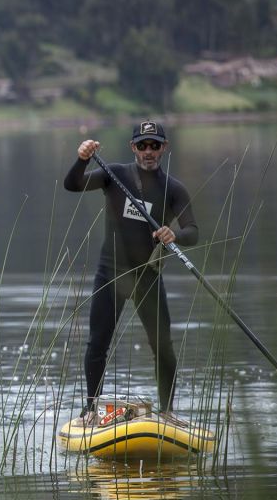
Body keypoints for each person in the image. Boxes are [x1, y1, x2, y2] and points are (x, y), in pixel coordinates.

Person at [63, 121, 198, 421]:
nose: (148, 151)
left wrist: (174, 235)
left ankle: (167, 411)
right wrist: (82, 158)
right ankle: (90, 410)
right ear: (133, 148)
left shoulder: (173, 189)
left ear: (164, 147)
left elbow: (194, 231)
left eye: (154, 145)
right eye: (142, 145)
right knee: (98, 341)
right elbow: (72, 184)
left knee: (162, 346)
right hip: (110, 273)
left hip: (147, 276)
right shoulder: (115, 175)